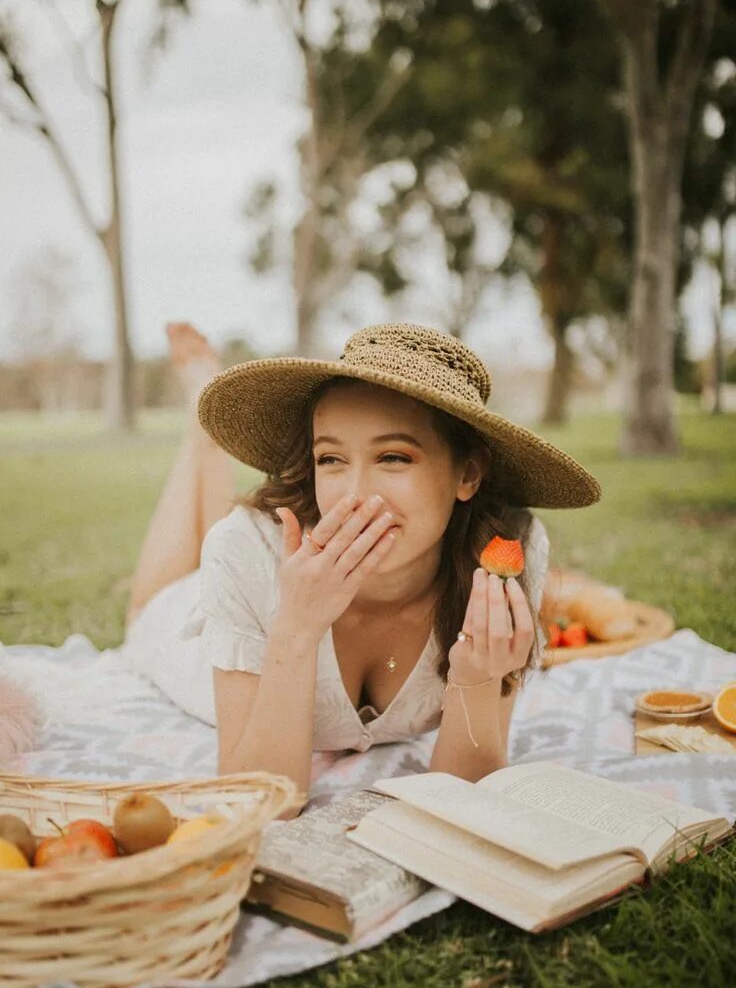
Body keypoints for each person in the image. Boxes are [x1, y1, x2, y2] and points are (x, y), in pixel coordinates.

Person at [122, 321, 600, 813]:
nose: (354, 496)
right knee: (147, 607)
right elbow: (258, 805)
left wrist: (476, 681)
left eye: (393, 457)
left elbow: (462, 802)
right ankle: (201, 434)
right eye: (330, 459)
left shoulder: (506, 552)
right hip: (195, 635)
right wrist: (295, 629)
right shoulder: (247, 547)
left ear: (468, 473)